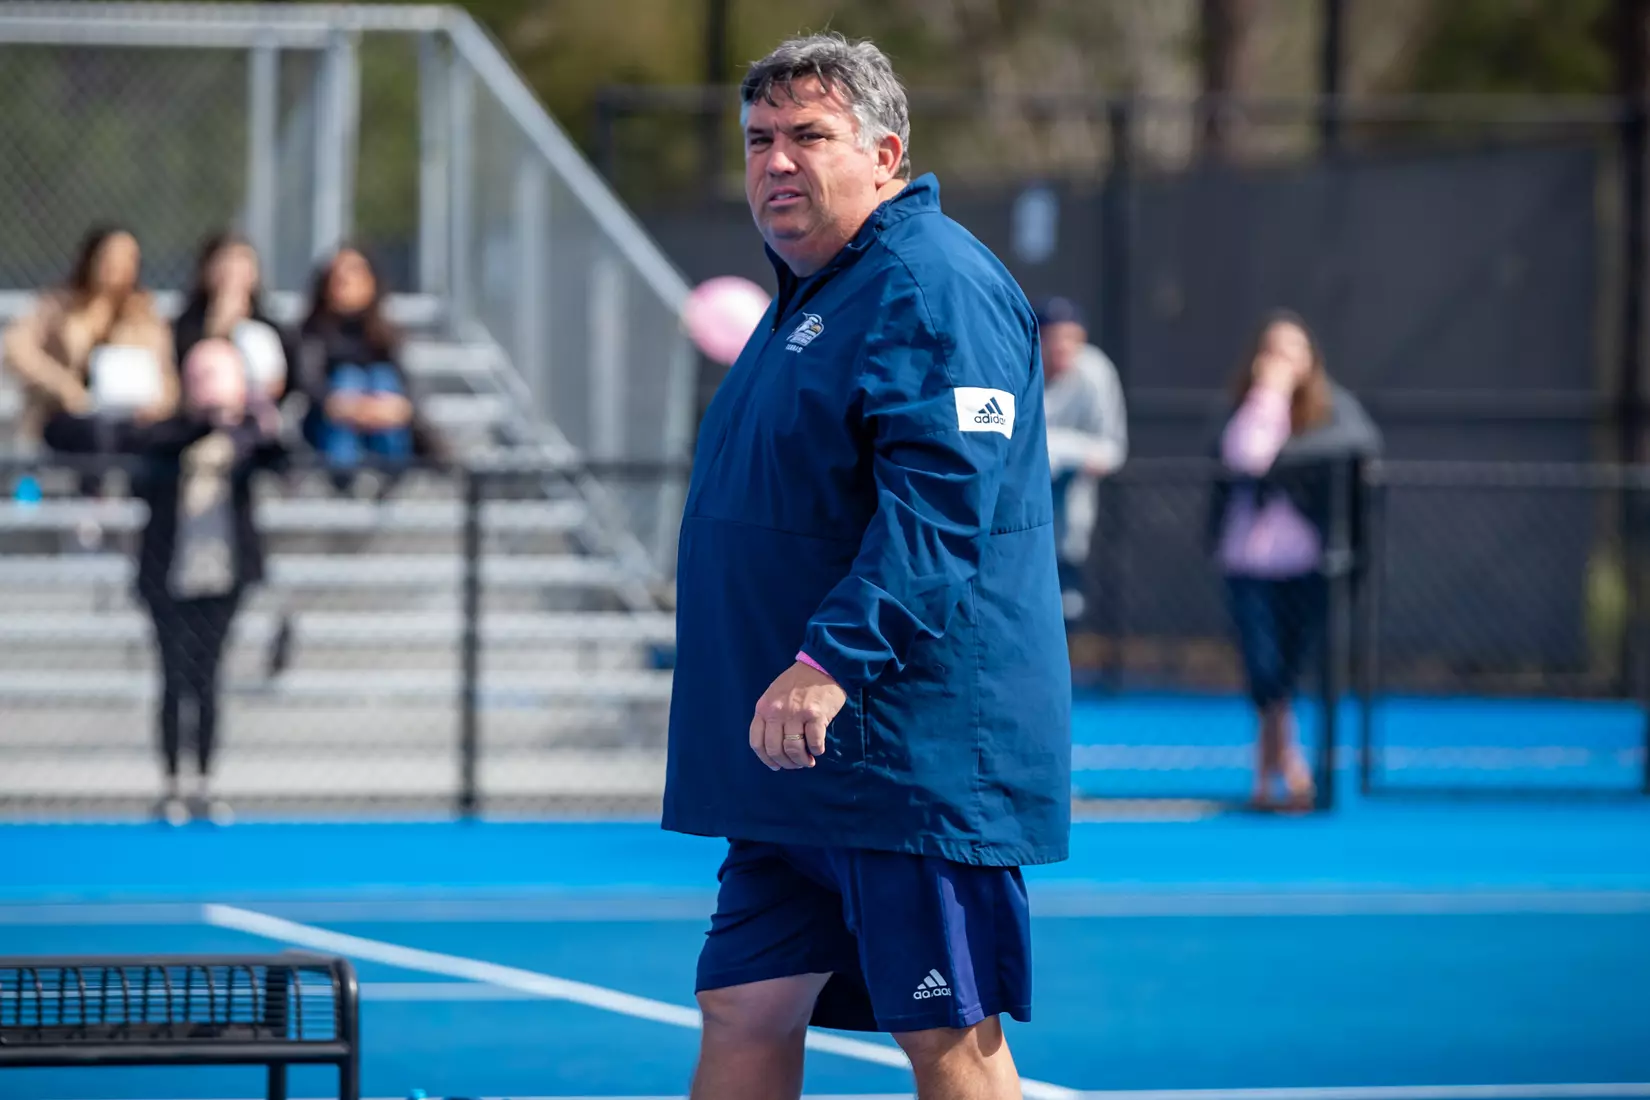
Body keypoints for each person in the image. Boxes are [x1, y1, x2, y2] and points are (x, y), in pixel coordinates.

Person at [663, 34, 1069, 1100]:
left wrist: (830, 661)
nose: (777, 161)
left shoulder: (930, 285)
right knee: (747, 1003)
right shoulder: (814, 291)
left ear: (886, 154)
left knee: (947, 1031)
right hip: (794, 761)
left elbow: (941, 506)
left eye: (809, 135)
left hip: (902, 752)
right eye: (759, 139)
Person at [51, 339, 287, 825]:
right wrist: (202, 420)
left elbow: (280, 458)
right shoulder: (167, 432)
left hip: (223, 571)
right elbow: (150, 463)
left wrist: (253, 416)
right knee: (173, 677)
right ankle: (171, 781)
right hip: (168, 573)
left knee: (207, 678)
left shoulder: (243, 437)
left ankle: (203, 779)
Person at [1209, 310, 1379, 811]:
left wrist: (1289, 453)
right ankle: (1292, 770)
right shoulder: (1244, 407)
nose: (1281, 362)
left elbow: (1361, 442)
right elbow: (1246, 456)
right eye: (1272, 351)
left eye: (1292, 352)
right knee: (1264, 673)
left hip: (1304, 565)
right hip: (1247, 565)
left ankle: (1269, 777)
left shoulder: (1331, 409)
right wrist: (1269, 396)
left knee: (1286, 674)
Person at [2, 225, 176, 468]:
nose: (116, 265)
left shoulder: (144, 314)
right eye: (110, 256)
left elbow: (165, 376)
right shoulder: (59, 306)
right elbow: (17, 349)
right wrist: (63, 386)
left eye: (126, 258)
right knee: (96, 435)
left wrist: (157, 406)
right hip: (67, 417)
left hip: (128, 419)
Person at [295, 247, 419, 492]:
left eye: (356, 273)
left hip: (379, 422)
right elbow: (310, 386)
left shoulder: (386, 337)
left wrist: (381, 409)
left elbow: (406, 394)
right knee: (347, 379)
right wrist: (349, 407)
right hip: (327, 425)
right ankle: (345, 476)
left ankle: (389, 471)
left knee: (382, 380)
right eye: (339, 276)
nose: (347, 282)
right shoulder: (312, 334)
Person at [1037, 296, 1128, 623]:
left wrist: (1060, 452)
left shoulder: (1095, 372)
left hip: (1070, 527)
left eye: (1072, 338)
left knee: (1066, 611)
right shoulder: (1018, 366)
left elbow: (1112, 450)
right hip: (1013, 528)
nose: (1063, 346)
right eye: (1054, 336)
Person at [173, 232, 298, 409]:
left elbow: (286, 382)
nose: (232, 272)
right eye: (225, 262)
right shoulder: (187, 325)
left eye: (242, 263)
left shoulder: (269, 329)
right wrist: (219, 326)